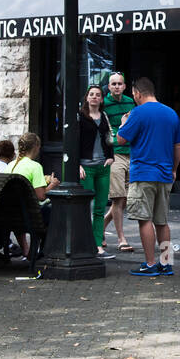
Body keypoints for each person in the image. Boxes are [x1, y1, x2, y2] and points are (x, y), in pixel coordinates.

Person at [115, 77, 180, 277]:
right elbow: (178, 145)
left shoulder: (137, 113)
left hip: (143, 173)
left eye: (133, 94)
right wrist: (174, 169)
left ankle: (150, 264)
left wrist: (123, 123)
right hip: (164, 173)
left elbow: (121, 138)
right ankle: (166, 263)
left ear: (137, 93)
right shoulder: (171, 113)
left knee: (144, 219)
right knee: (162, 221)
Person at [8, 132, 60, 258]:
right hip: (30, 216)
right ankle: (44, 251)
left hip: (11, 215)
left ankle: (30, 251)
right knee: (56, 212)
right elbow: (41, 196)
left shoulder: (10, 165)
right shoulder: (35, 167)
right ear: (36, 146)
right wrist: (52, 185)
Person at [79, 84, 116, 256]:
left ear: (102, 99)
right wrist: (77, 165)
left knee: (100, 207)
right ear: (87, 97)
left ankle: (97, 244)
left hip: (102, 166)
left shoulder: (104, 116)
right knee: (86, 207)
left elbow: (109, 137)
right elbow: (73, 142)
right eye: (91, 94)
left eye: (98, 95)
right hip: (86, 167)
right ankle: (84, 243)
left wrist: (111, 156)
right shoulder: (80, 116)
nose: (94, 97)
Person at [102, 72, 136, 252]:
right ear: (109, 86)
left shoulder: (131, 102)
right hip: (114, 154)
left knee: (124, 199)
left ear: (124, 86)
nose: (116, 86)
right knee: (117, 197)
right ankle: (121, 238)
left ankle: (100, 228)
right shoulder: (104, 103)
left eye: (119, 84)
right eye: (113, 84)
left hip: (132, 152)